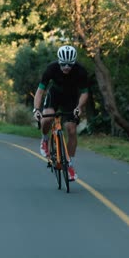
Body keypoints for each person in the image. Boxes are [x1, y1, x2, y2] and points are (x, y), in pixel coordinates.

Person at [33, 45, 90, 181]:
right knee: (48, 118)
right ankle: (45, 140)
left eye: (69, 64)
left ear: (74, 62)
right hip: (55, 94)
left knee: (71, 130)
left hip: (71, 98)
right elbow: (40, 91)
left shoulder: (80, 71)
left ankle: (69, 165)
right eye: (63, 64)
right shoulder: (51, 68)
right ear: (59, 61)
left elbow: (84, 93)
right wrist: (36, 109)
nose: (66, 67)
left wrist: (79, 107)